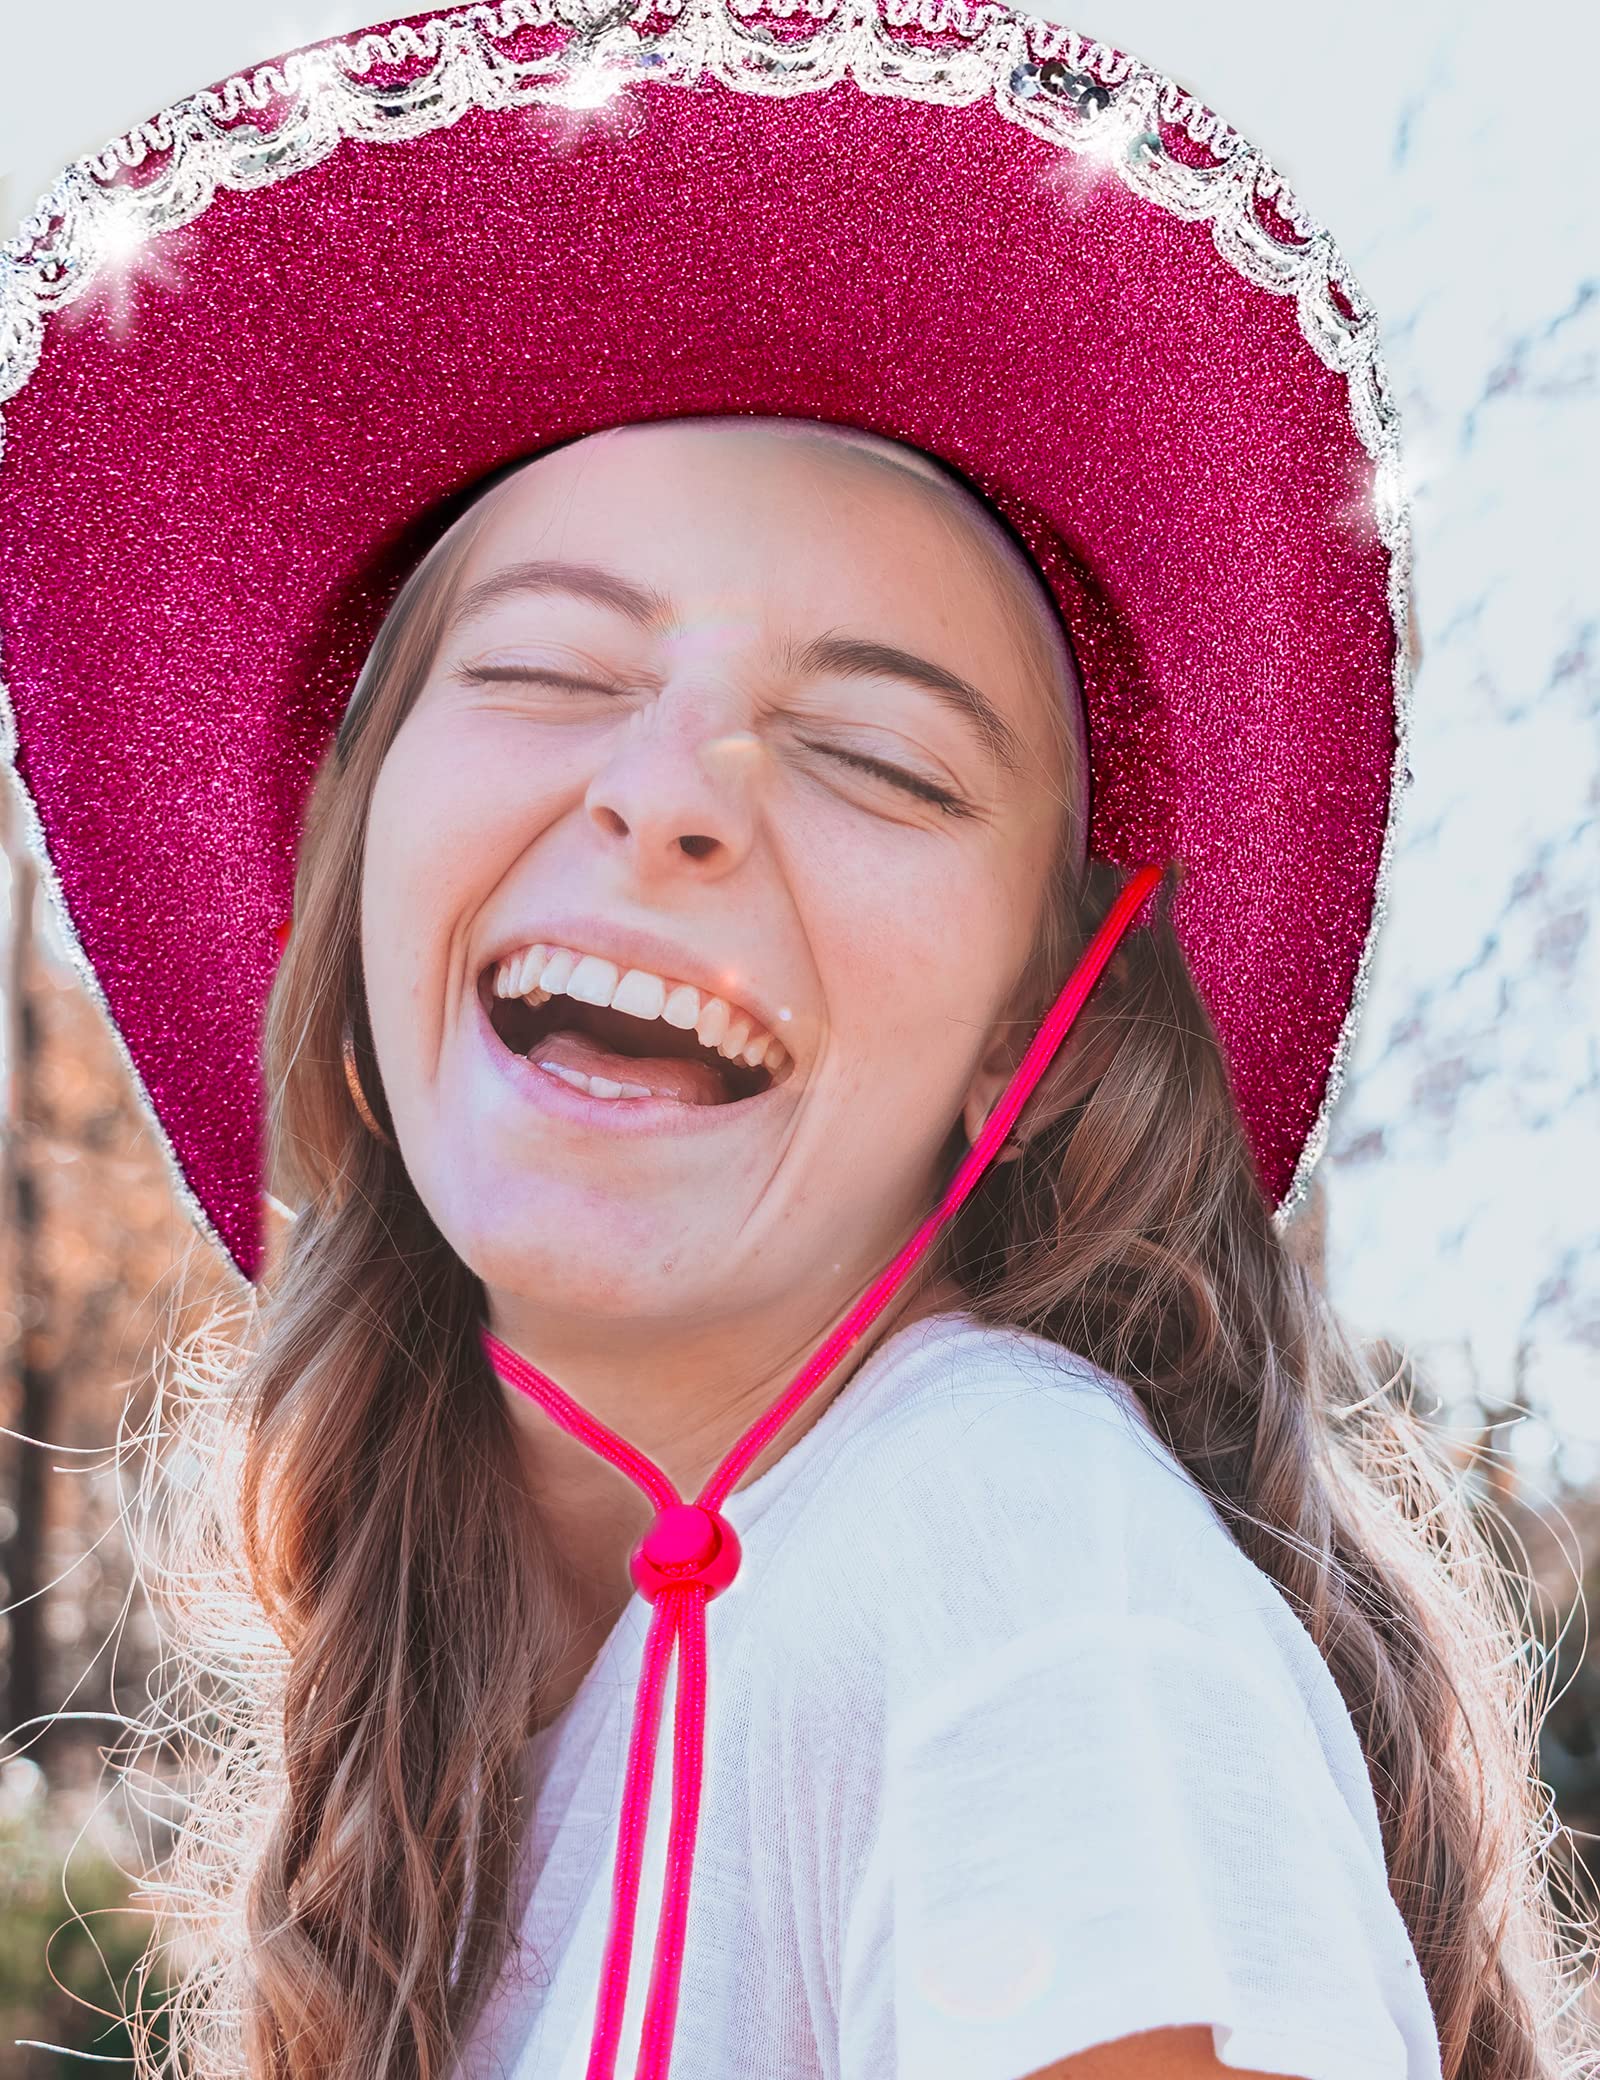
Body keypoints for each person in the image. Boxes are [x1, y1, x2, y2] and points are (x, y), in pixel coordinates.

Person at [0, 4, 1590, 2079]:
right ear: (359, 867)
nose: (671, 788)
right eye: (553, 667)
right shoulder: (515, 1730)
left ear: (1035, 1025)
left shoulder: (999, 1548)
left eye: (873, 756)